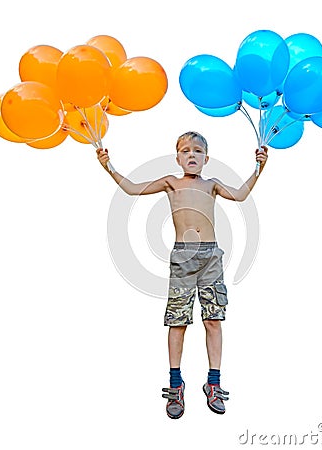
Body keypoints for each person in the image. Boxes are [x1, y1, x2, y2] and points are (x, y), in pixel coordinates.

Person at [96, 131, 268, 419]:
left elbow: (239, 195)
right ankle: (176, 384)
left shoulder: (212, 184)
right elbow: (132, 188)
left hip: (211, 256)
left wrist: (259, 167)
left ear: (206, 158)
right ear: (177, 157)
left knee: (213, 320)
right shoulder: (170, 183)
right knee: (178, 322)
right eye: (185, 150)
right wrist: (108, 166)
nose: (191, 155)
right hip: (183, 259)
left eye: (198, 151)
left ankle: (213, 382)